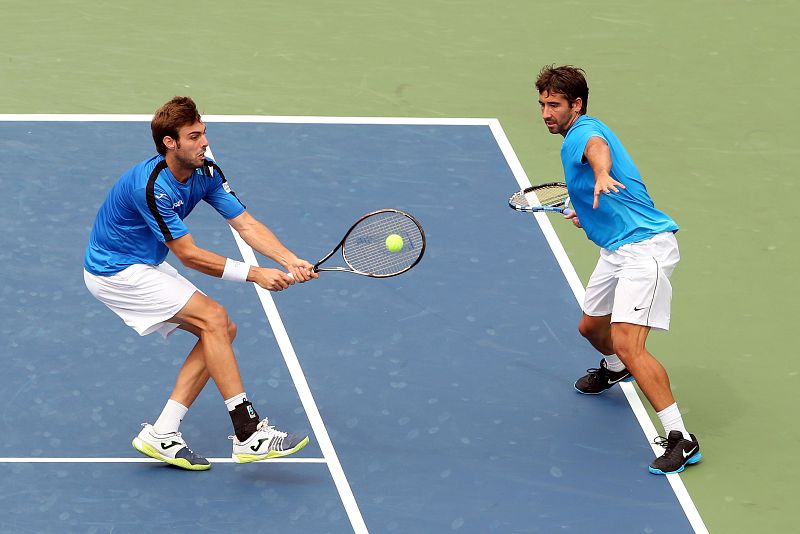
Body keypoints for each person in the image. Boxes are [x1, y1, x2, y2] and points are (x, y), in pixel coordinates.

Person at [83, 96, 319, 470]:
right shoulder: (152, 187)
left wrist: (289, 259)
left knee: (222, 329)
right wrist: (256, 273)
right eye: (194, 136)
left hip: (142, 263)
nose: (204, 142)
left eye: (204, 133)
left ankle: (162, 433)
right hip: (115, 271)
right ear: (169, 143)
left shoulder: (206, 173)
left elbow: (245, 223)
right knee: (213, 319)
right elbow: (189, 255)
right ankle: (249, 433)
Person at [535, 65, 701, 475]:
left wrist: (604, 172)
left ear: (577, 104)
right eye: (541, 104)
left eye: (554, 105)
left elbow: (596, 150)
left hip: (646, 249)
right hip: (616, 249)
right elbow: (596, 190)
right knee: (591, 329)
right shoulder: (573, 136)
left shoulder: (584, 132)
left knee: (629, 342)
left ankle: (682, 439)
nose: (545, 113)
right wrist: (584, 211)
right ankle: (615, 369)